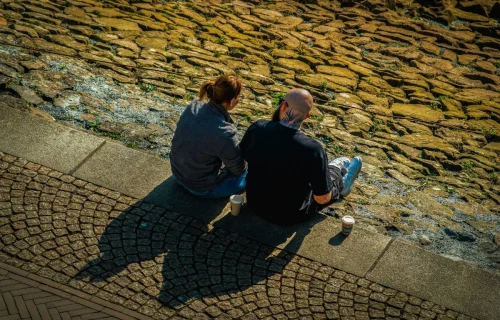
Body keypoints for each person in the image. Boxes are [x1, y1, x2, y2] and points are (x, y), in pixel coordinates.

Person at [239, 88, 362, 225]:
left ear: (283, 105)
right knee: (332, 174)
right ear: (307, 116)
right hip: (290, 215)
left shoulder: (258, 128)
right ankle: (341, 181)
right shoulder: (312, 149)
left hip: (254, 203)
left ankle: (335, 170)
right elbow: (322, 199)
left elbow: (241, 158)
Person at [170, 75, 247, 199]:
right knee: (247, 175)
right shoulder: (224, 132)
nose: (239, 100)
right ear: (232, 101)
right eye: (239, 97)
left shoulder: (194, 104)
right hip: (200, 188)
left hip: (177, 174)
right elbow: (238, 170)